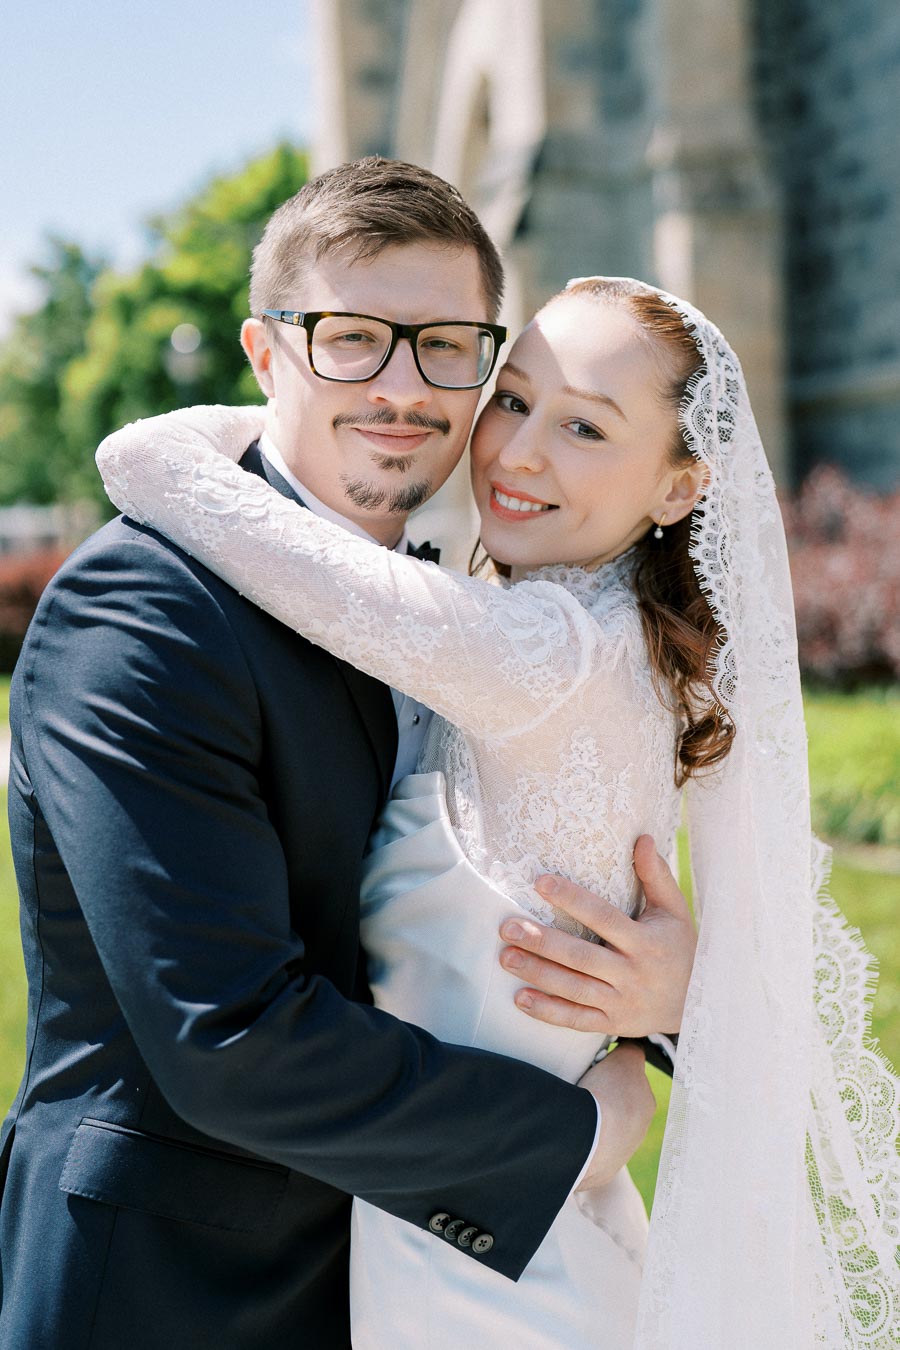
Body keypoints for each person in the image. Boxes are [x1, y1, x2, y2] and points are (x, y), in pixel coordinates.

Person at [97, 275, 900, 1348]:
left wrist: (304, 381)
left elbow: (143, 463)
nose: (518, 453)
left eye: (584, 426)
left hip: (492, 1282)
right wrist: (666, 1023)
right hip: (506, 1229)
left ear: (677, 489)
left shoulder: (543, 654)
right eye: (512, 400)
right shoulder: (586, 634)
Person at [0, 160, 696, 1350]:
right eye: (353, 338)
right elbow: (229, 1039)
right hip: (179, 1292)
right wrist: (576, 1133)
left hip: (403, 1286)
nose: (402, 387)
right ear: (266, 355)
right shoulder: (141, 611)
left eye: (444, 347)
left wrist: (668, 999)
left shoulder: (468, 609)